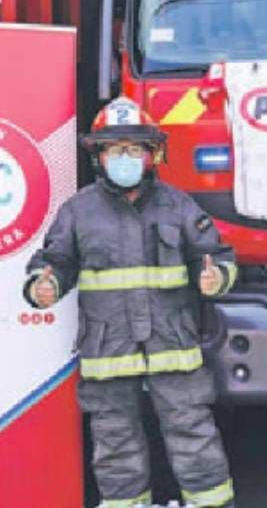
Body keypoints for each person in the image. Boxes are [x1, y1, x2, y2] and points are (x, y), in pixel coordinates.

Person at [23, 96, 237, 508]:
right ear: (99, 156)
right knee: (116, 446)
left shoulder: (177, 205)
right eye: (114, 149)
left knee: (194, 435)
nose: (124, 157)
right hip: (109, 353)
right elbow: (53, 262)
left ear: (151, 154)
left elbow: (217, 256)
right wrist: (42, 286)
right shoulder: (78, 211)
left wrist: (215, 278)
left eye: (134, 148)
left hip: (173, 349)